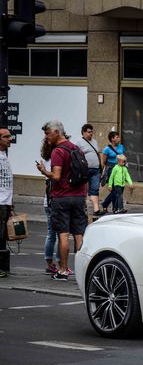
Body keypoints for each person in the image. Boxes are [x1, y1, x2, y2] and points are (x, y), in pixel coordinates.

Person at [36, 120, 87, 281]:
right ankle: (81, 271)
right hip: (78, 196)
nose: (46, 137)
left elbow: (56, 176)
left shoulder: (58, 151)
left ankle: (63, 270)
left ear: (57, 132)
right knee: (79, 234)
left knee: (63, 234)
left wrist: (44, 171)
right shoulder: (76, 148)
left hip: (62, 197)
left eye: (47, 133)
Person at [38, 138, 60, 275]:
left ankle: (50, 263)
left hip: (48, 202)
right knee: (58, 234)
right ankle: (58, 264)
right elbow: (52, 182)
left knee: (51, 234)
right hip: (53, 202)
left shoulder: (47, 159)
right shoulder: (54, 160)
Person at [73, 124, 102, 216]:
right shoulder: (79, 142)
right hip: (84, 170)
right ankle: (82, 208)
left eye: (92, 132)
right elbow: (76, 156)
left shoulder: (94, 142)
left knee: (95, 189)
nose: (91, 134)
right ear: (83, 132)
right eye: (89, 132)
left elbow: (97, 153)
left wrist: (101, 165)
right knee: (83, 189)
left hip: (95, 169)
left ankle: (96, 209)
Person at [100, 131, 125, 214]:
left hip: (120, 170)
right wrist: (102, 173)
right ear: (112, 139)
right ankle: (115, 208)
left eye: (118, 137)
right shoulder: (106, 149)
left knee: (118, 190)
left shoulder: (121, 147)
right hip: (111, 170)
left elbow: (123, 157)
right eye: (116, 137)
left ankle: (105, 204)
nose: (118, 138)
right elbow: (103, 161)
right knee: (115, 190)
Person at [0, 126, 14, 278]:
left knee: (2, 235)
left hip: (5, 201)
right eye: (6, 136)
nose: (10, 139)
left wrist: (11, 200)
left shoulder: (5, 153)